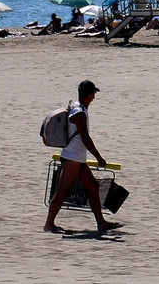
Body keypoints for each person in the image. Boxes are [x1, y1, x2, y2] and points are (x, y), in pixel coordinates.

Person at [44, 80, 120, 235]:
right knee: (62, 192)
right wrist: (99, 158)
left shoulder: (79, 108)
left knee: (93, 186)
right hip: (72, 158)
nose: (94, 97)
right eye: (93, 94)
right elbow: (85, 138)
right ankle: (48, 225)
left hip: (77, 158)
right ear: (89, 94)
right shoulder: (79, 113)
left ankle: (101, 223)